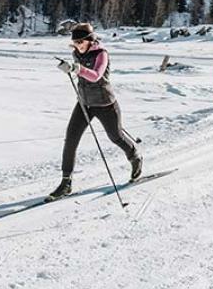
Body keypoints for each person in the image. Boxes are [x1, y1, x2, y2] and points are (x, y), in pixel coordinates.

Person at [47, 23, 142, 200]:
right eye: (75, 42)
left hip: (105, 104)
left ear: (90, 40)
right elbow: (80, 74)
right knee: (71, 138)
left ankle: (135, 156)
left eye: (80, 42)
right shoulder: (76, 53)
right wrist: (69, 69)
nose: (77, 45)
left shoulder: (101, 54)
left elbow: (96, 75)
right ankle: (66, 182)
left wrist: (77, 68)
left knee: (116, 137)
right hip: (84, 103)